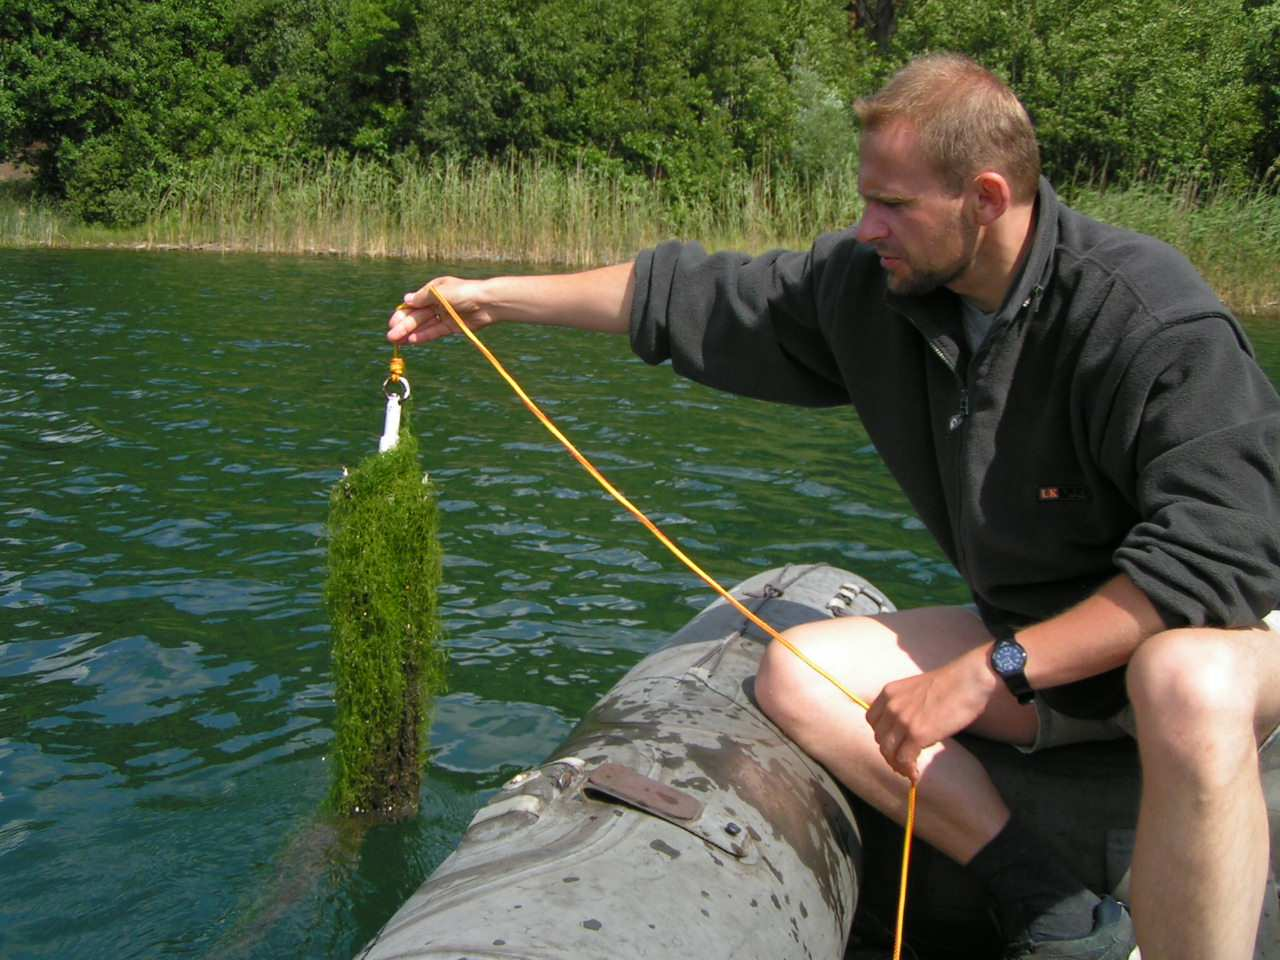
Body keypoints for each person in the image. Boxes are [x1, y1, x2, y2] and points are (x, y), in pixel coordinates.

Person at [387, 53, 1280, 960]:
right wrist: (487, 299)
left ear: (986, 196)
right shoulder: (878, 291)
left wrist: (991, 667)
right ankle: (1046, 902)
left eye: (894, 205)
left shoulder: (1144, 315)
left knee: (1184, 683)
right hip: (1041, 648)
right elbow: (688, 297)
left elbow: (1223, 556)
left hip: (1220, 638)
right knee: (798, 677)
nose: (867, 227)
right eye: (865, 199)